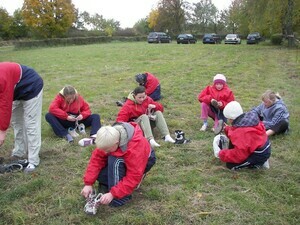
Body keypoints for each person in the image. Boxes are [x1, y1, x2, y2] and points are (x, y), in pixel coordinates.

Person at [81, 122, 156, 208]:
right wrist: (88, 183)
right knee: (101, 174)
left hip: (143, 162)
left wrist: (113, 194)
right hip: (124, 157)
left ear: (117, 143)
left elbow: (133, 176)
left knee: (115, 161)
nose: (105, 152)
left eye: (107, 150)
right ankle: (113, 185)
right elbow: (96, 160)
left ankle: (120, 198)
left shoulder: (135, 147)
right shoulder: (109, 139)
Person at [0, 62, 43, 173]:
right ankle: (19, 151)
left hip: (32, 86)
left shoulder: (1, 79)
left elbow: (5, 105)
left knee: (31, 124)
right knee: (17, 123)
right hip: (15, 90)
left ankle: (33, 160)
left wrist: (2, 131)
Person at [213, 101, 271, 170]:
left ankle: (257, 164)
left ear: (231, 119)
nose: (228, 120)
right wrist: (226, 129)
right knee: (233, 145)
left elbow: (239, 155)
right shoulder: (247, 119)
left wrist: (221, 154)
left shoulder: (241, 132)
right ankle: (259, 160)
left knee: (231, 165)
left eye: (228, 119)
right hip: (263, 146)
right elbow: (236, 132)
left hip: (258, 154)